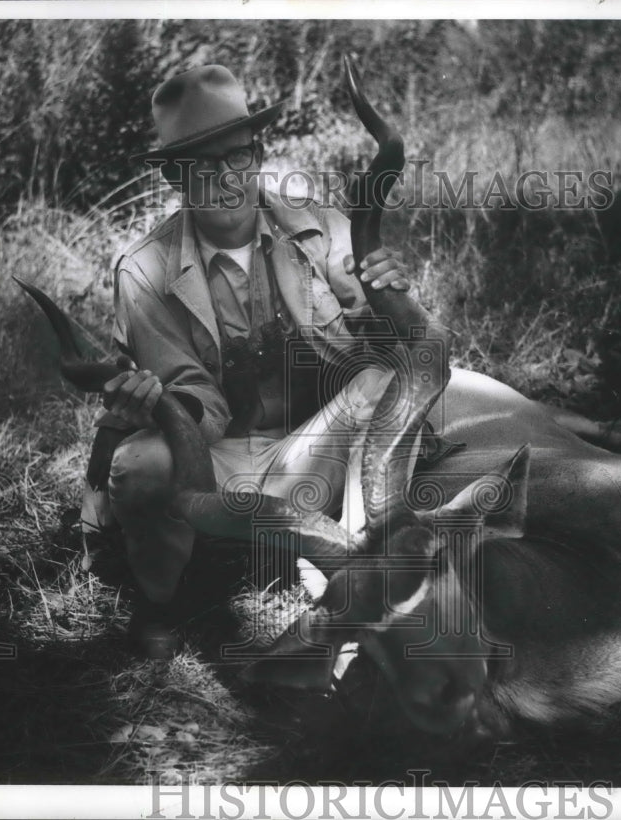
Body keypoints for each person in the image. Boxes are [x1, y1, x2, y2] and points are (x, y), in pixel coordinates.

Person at [80, 65, 434, 659]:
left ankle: (359, 581)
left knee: (380, 386)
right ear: (174, 176)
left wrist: (390, 300)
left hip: (309, 453)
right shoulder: (144, 271)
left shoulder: (319, 226)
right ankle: (164, 602)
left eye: (237, 156)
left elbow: (376, 351)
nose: (224, 177)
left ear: (259, 151)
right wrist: (157, 405)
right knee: (139, 461)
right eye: (201, 165)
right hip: (212, 470)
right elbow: (194, 398)